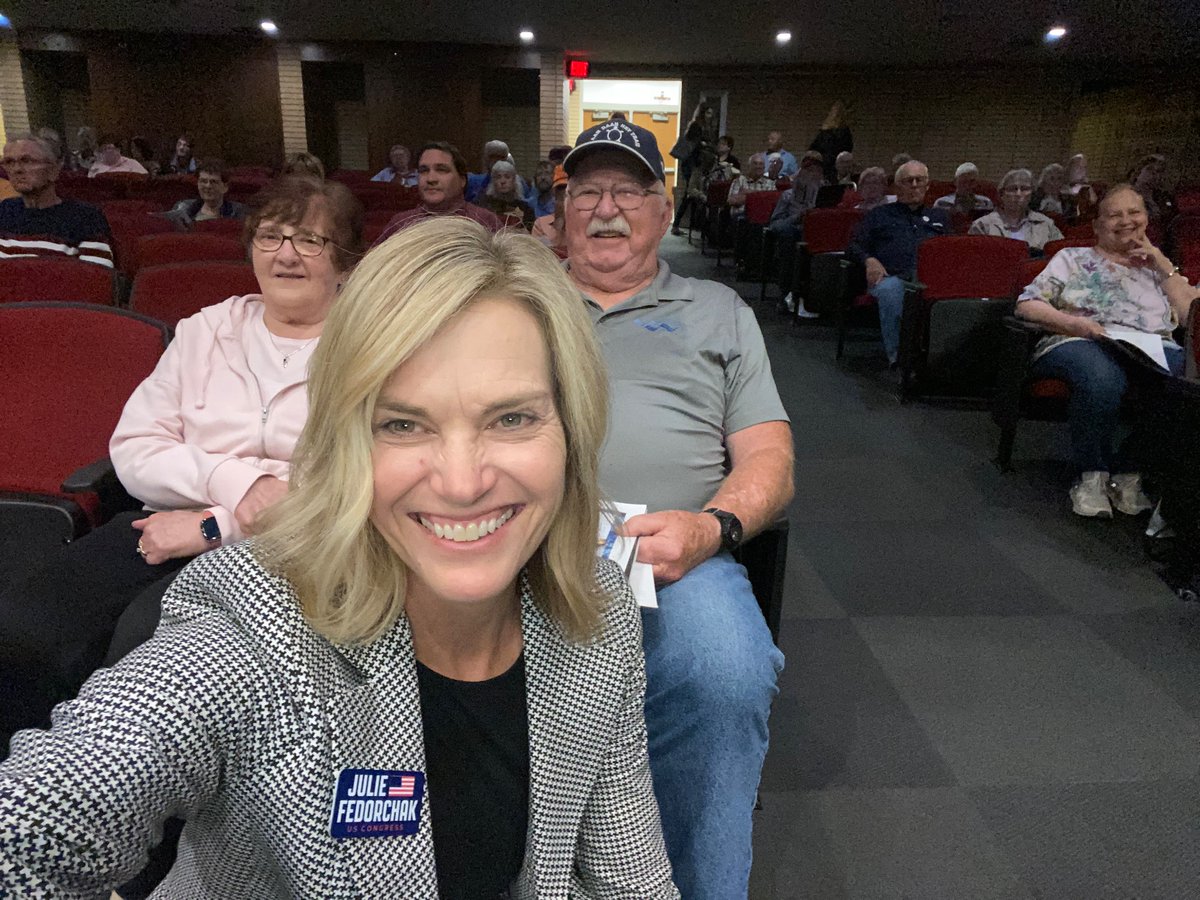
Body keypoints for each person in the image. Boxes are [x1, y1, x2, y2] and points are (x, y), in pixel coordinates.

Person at [0, 217, 680, 900]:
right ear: (347, 441)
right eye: (402, 424)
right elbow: (29, 831)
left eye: (512, 418)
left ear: (572, 427)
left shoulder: (598, 612)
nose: (462, 481)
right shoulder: (255, 638)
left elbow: (631, 876)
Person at [0, 175, 363, 753]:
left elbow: (351, 477)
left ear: (344, 262)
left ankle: (151, 828)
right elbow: (136, 446)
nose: (286, 254)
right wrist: (232, 480)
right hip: (162, 519)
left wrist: (215, 526)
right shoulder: (205, 331)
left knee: (145, 653)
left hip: (291, 545)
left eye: (310, 240)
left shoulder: (369, 346)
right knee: (24, 628)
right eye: (270, 237)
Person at [561, 118, 792, 900]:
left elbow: (769, 458)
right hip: (521, 541)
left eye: (629, 190)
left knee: (725, 674)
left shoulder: (719, 309)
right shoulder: (518, 301)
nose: (606, 207)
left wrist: (710, 528)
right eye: (586, 190)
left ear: (663, 212)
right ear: (562, 212)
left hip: (673, 551)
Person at [1016, 184, 1199, 517]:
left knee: (1185, 384)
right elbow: (1027, 305)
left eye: (1134, 212)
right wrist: (1074, 324)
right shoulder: (1072, 258)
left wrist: (1161, 263)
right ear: (1097, 226)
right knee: (1103, 378)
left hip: (1149, 347)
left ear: (1146, 219)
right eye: (1115, 214)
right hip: (1079, 340)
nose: (1126, 221)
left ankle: (1130, 473)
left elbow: (1192, 316)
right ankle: (1092, 476)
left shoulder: (1159, 269)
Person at [847, 159, 950, 365]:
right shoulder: (879, 215)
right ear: (897, 186)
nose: (914, 186)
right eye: (908, 181)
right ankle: (900, 359)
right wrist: (869, 260)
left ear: (927, 186)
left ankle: (940, 360)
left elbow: (952, 250)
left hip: (930, 280)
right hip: (892, 277)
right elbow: (854, 245)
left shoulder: (940, 217)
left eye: (919, 180)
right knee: (891, 292)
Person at [0, 133, 114, 268]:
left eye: (27, 161)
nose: (17, 169)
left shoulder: (85, 217)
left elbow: (95, 278)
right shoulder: (4, 210)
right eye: (9, 162)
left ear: (54, 169)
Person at [375, 141, 503, 239]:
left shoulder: (485, 221)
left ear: (462, 180)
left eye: (441, 170)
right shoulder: (400, 224)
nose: (431, 179)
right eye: (424, 171)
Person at [769, 152, 826, 317]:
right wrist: (798, 218)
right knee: (789, 237)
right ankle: (788, 295)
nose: (812, 175)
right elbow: (775, 225)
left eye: (816, 172)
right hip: (793, 237)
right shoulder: (787, 196)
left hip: (817, 237)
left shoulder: (825, 195)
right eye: (809, 171)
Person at [969, 168, 1063, 254]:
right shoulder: (982, 225)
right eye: (1012, 189)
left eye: (1024, 189)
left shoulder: (1046, 224)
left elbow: (1061, 255)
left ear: (1031, 194)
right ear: (1002, 194)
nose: (1018, 194)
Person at [162, 158, 247, 230]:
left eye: (213, 182)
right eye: (203, 181)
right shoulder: (183, 208)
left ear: (225, 187)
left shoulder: (238, 213)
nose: (208, 186)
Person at [481, 159, 535, 230]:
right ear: (493, 181)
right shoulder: (484, 205)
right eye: (498, 177)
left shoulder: (525, 209)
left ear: (514, 181)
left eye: (507, 177)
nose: (502, 181)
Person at [809, 101, 853, 184]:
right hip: (837, 167)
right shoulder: (845, 132)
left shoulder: (823, 132)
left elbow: (812, 149)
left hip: (822, 166)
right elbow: (847, 150)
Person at [726, 151, 774, 219]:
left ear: (764, 167)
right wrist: (760, 196)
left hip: (761, 220)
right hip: (740, 220)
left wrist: (746, 193)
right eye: (755, 163)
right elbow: (731, 201)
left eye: (761, 164)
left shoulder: (770, 183)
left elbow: (769, 204)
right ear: (749, 166)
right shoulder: (739, 181)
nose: (758, 166)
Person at [1130, 153, 1175, 225]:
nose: (1154, 175)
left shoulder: (1164, 197)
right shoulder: (1125, 198)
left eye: (1159, 171)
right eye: (1149, 170)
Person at [531, 164, 568, 250]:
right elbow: (537, 257)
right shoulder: (541, 224)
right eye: (560, 193)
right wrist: (557, 227)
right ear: (554, 195)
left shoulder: (586, 223)